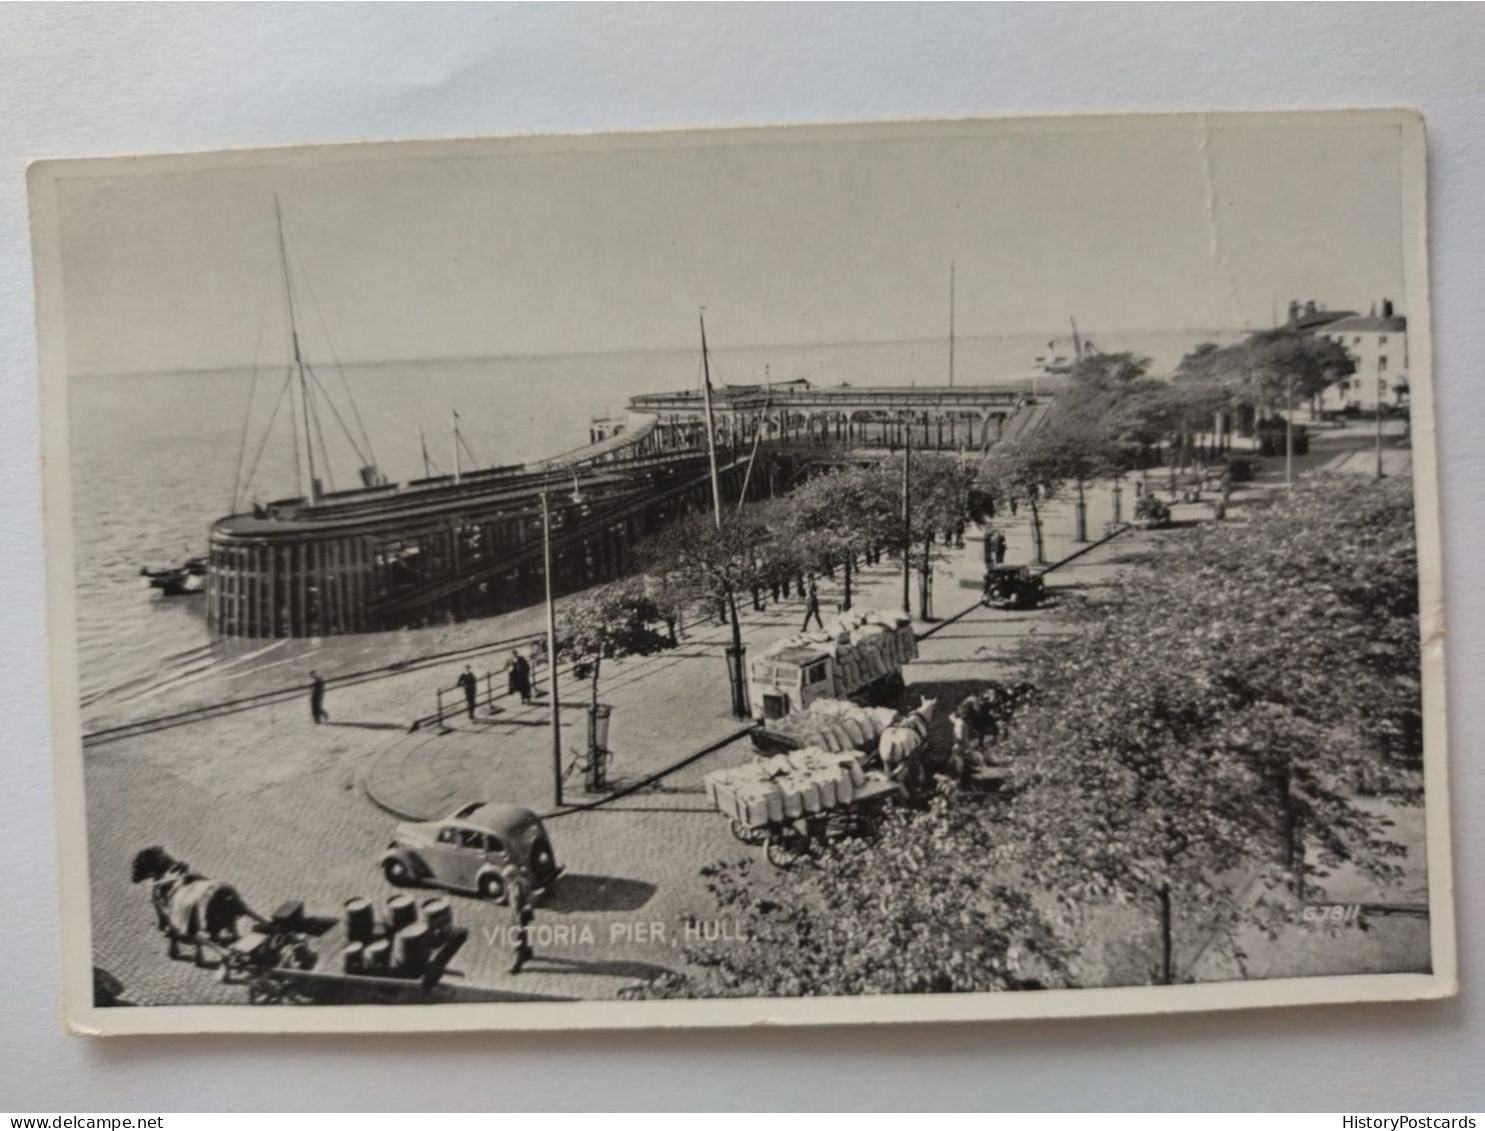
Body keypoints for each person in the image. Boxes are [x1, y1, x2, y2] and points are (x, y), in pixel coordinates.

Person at [505, 868, 535, 975]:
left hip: (522, 915)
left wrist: (526, 908)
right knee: (524, 934)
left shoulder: (521, 884)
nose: (506, 879)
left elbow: (530, 897)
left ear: (512, 875)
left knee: (518, 939)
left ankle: (516, 965)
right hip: (517, 914)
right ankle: (528, 953)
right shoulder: (512, 884)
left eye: (508, 876)